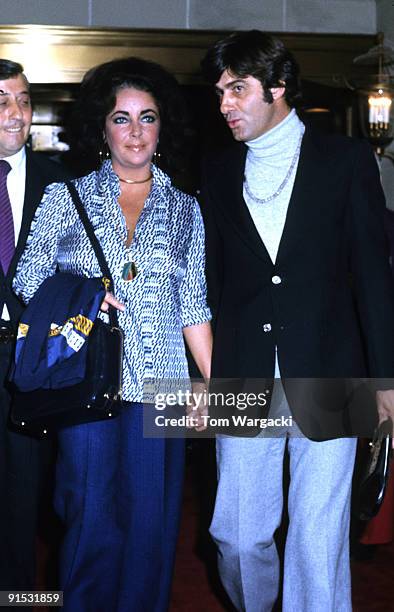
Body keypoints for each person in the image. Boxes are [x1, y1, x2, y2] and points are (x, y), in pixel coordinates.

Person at [199, 30, 394, 612]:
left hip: (332, 369)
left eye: (238, 89)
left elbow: (373, 274)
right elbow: (209, 281)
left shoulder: (345, 159)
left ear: (278, 87)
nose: (225, 104)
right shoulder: (215, 168)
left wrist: (386, 379)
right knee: (235, 536)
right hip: (242, 371)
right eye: (219, 93)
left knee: (316, 538)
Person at [13, 57, 212, 612]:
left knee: (152, 528)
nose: (135, 132)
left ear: (162, 127)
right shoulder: (65, 198)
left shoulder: (186, 210)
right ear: (101, 128)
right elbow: (29, 280)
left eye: (147, 118)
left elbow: (193, 306)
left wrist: (215, 391)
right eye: (121, 119)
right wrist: (83, 293)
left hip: (162, 388)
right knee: (89, 517)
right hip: (85, 380)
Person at [0, 59, 71, 596]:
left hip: (30, 362)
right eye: (2, 100)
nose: (15, 113)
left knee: (24, 502)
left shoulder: (61, 184)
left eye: (23, 100)